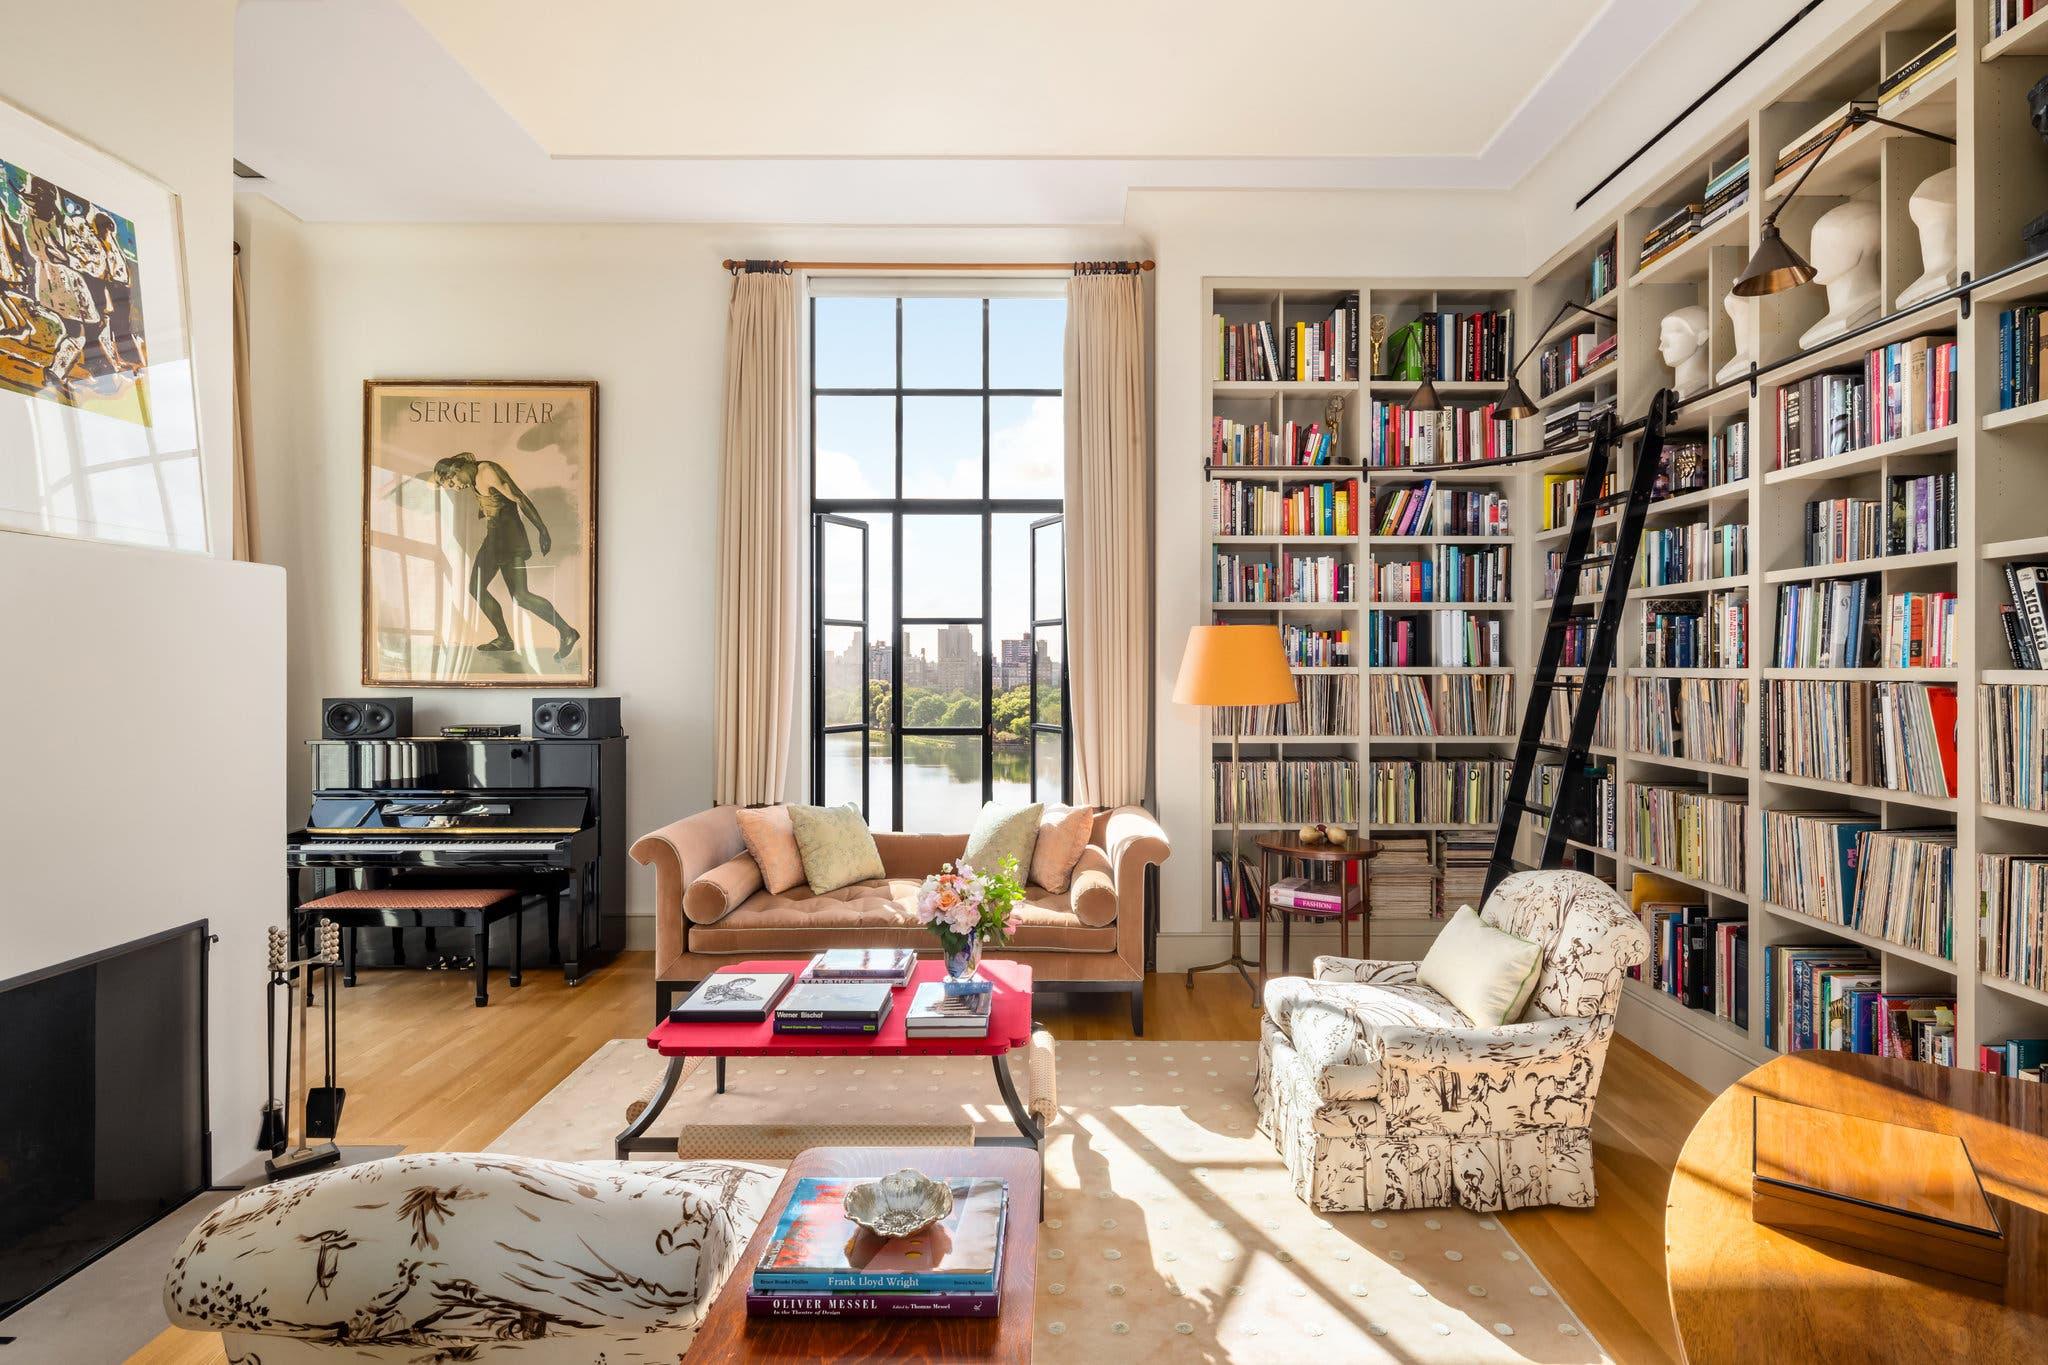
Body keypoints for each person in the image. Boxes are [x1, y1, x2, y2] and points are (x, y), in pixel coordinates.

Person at [426, 452, 580, 662]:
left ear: (457, 468)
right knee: (476, 588)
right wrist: (440, 474)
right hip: (494, 537)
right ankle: (505, 638)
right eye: (451, 487)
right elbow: (431, 484)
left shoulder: (487, 472)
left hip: (509, 537)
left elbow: (519, 498)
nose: (457, 488)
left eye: (453, 482)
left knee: (521, 596)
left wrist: (542, 529)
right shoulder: (467, 475)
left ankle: (567, 631)